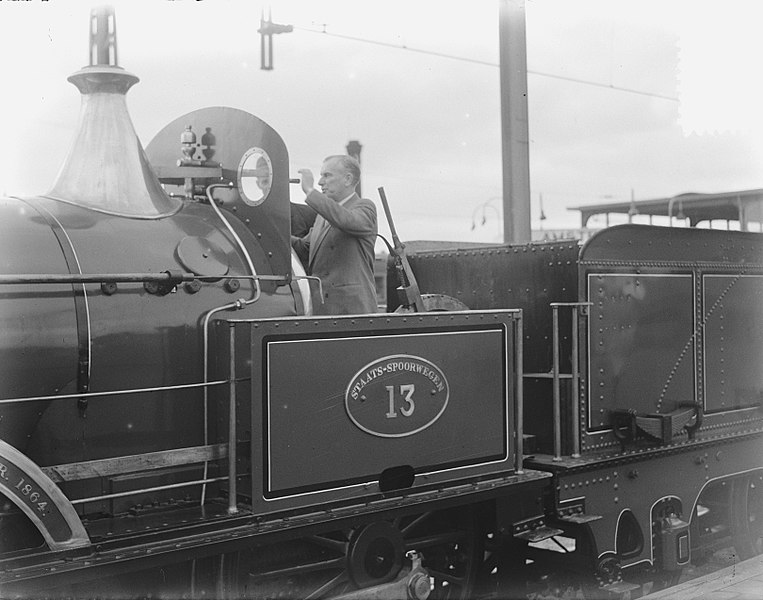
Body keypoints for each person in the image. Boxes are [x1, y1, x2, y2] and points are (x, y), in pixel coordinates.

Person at [291, 155, 378, 315]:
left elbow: (347, 221)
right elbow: (304, 247)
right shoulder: (322, 216)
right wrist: (275, 230)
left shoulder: (365, 207)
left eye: (327, 175)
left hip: (351, 311)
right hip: (323, 309)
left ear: (347, 179)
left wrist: (310, 192)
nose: (320, 182)